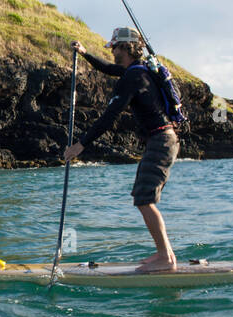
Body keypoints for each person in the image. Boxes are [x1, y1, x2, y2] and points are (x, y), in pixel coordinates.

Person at [63, 28, 179, 272]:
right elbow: (108, 68)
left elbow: (109, 117)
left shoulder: (133, 77)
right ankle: (164, 253)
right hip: (161, 140)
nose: (112, 51)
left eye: (115, 47)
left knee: (144, 199)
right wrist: (85, 54)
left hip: (161, 141)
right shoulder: (139, 71)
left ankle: (165, 258)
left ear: (125, 47)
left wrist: (80, 145)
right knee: (142, 197)